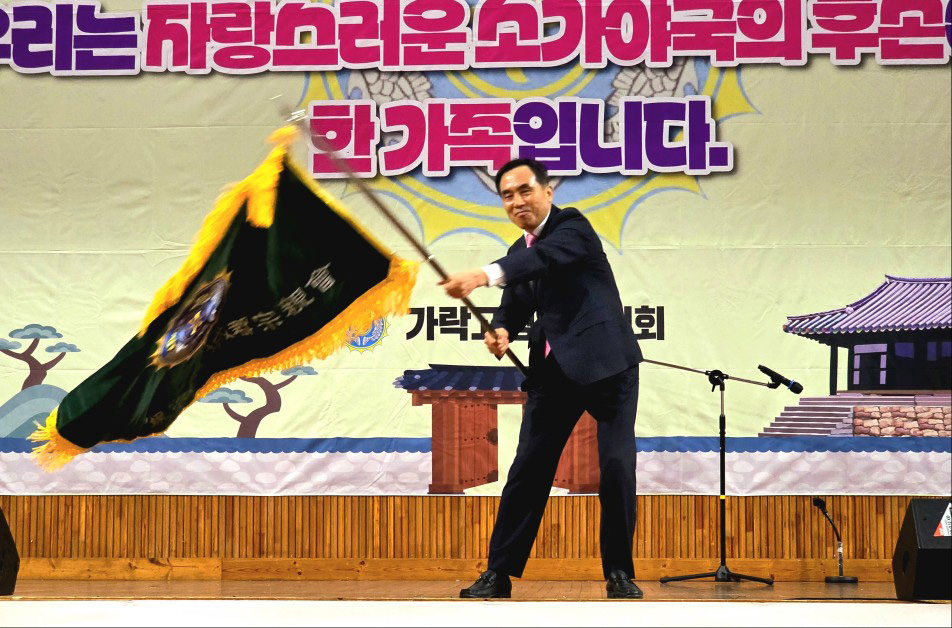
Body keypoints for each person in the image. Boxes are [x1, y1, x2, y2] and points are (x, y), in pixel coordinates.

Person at [439, 158, 644, 599]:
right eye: (507, 195)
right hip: (553, 374)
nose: (517, 201)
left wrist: (481, 275)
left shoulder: (573, 227)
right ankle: (498, 574)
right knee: (528, 470)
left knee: (615, 466)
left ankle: (619, 573)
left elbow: (544, 258)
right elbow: (514, 305)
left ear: (548, 192)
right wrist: (502, 330)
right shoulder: (520, 250)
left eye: (525, 190)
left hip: (609, 368)